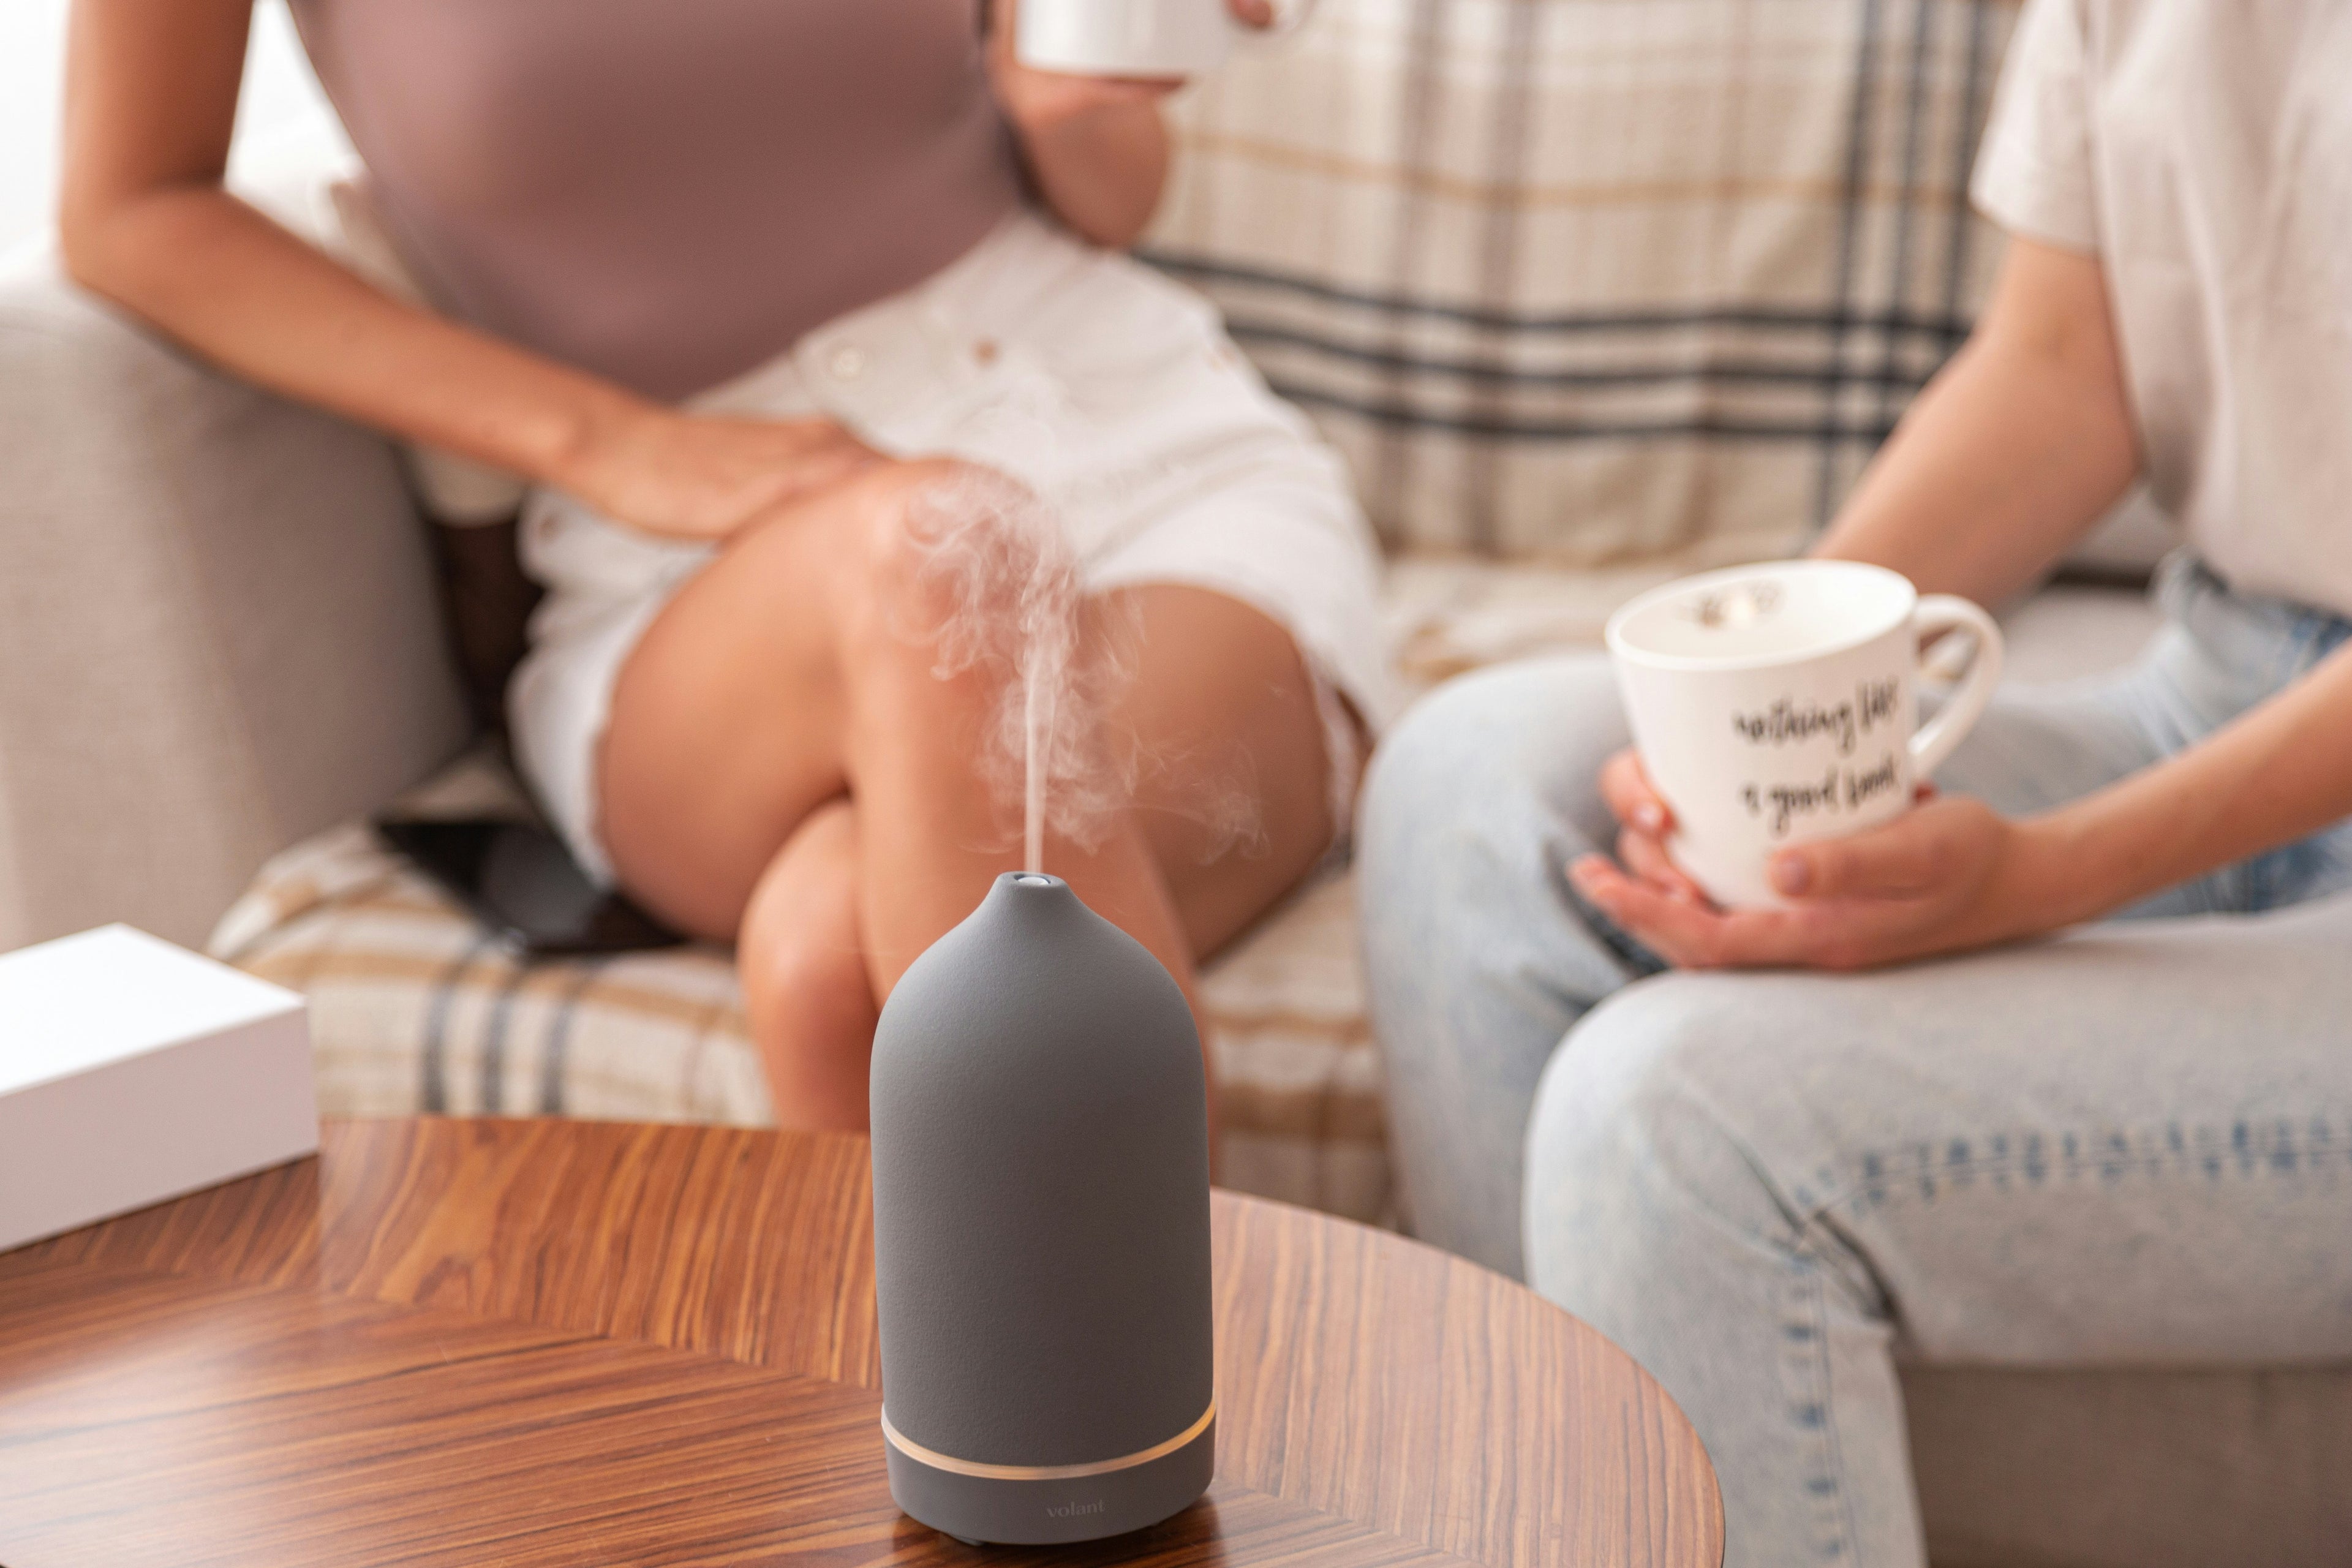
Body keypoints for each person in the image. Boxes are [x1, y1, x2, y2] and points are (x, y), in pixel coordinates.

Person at [1357, 2, 2352, 1561]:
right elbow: (2063, 360)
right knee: (1472, 797)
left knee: (1667, 1120)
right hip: (2224, 678)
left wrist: (2042, 871)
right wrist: (1747, 701)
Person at [59, 0, 1392, 1130]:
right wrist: (607, 439)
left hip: (1131, 471)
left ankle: (1020, 1431)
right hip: (686, 570)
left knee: (829, 952)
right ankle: (1175, 1419)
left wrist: (1064, 95)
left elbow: (1116, 189)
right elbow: (128, 210)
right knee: (947, 555)